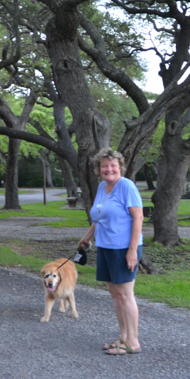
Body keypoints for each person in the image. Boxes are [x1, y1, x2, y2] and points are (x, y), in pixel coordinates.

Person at [78, 148, 144, 355]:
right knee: (115, 295)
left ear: (120, 167)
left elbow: (138, 218)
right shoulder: (102, 187)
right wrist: (87, 237)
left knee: (125, 295)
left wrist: (132, 251)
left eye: (113, 165)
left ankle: (133, 342)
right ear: (99, 169)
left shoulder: (126, 186)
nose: (109, 169)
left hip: (123, 249)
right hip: (105, 248)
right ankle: (123, 338)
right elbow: (99, 218)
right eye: (104, 166)